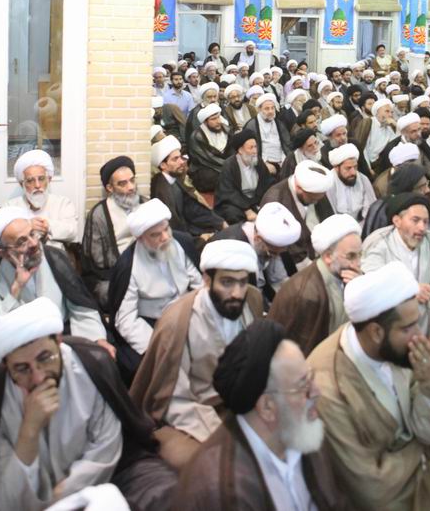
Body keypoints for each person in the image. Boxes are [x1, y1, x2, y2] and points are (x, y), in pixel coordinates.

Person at [309, 263, 430, 511]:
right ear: (375, 332)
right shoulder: (327, 386)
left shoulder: (395, 349)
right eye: (407, 328)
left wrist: (428, 383)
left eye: (417, 323)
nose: (418, 336)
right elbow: (370, 488)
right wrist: (419, 448)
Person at [0, 298, 176, 511]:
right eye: (22, 369)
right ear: (7, 367)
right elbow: (6, 499)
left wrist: (62, 493)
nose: (39, 378)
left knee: (164, 490)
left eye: (45, 358)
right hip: (31, 501)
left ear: (59, 341)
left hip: (107, 474)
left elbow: (106, 449)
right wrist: (29, 431)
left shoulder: (90, 364)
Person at [178, 319, 345, 510]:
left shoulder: (304, 432)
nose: (316, 392)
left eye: (310, 377)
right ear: (267, 407)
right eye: (303, 385)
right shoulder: (221, 491)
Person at [129, 240, 263, 471]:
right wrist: (224, 432)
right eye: (227, 282)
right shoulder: (178, 322)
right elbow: (172, 398)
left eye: (242, 282)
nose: (237, 293)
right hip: (194, 412)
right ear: (207, 280)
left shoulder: (252, 299)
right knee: (219, 463)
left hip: (243, 403)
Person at [0, 206, 113, 362]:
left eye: (32, 234)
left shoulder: (54, 258)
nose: (33, 243)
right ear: (3, 252)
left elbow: (80, 307)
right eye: (22, 241)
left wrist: (97, 339)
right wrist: (16, 288)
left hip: (63, 338)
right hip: (18, 349)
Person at [108, 199, 202, 378]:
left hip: (187, 315)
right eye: (155, 235)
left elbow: (199, 286)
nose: (165, 237)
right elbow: (126, 319)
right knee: (148, 368)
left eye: (166, 229)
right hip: (152, 324)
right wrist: (157, 343)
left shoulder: (181, 243)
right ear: (140, 238)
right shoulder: (128, 265)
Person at [268, 215, 362, 356]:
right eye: (351, 256)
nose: (358, 263)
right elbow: (306, 351)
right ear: (328, 256)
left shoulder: (347, 275)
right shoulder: (307, 294)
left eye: (360, 254)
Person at [361, 193, 430, 348]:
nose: (422, 227)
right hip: (389, 326)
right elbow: (371, 282)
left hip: (422, 321)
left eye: (426, 222)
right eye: (415, 220)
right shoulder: (378, 243)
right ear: (397, 221)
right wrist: (410, 290)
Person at [209, 202, 300, 306]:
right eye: (273, 253)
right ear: (258, 238)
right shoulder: (234, 252)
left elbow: (278, 279)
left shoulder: (270, 242)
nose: (275, 257)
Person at [81, 156, 143, 308]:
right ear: (109, 188)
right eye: (123, 183)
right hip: (114, 273)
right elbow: (98, 261)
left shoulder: (145, 204)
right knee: (106, 291)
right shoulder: (99, 214)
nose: (131, 187)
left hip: (146, 265)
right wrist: (127, 267)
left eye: (132, 180)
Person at [150, 135, 225, 243]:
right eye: (175, 159)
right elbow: (173, 227)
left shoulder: (175, 179)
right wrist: (199, 239)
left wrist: (219, 223)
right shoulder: (161, 190)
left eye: (180, 157)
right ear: (163, 165)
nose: (181, 162)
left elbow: (193, 209)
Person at [259, 160, 334, 264]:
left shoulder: (315, 190)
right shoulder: (275, 201)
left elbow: (329, 220)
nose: (316, 202)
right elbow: (286, 247)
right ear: (299, 188)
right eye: (312, 199)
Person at [9, 150, 83, 251]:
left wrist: (47, 226)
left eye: (41, 179)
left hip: (55, 258)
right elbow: (2, 234)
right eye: (30, 180)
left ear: (49, 179)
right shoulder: (11, 206)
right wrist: (27, 226)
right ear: (22, 184)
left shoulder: (63, 203)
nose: (37, 185)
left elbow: (72, 231)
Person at [214, 130, 274, 224]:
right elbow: (229, 192)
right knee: (232, 214)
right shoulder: (229, 165)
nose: (255, 151)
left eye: (255, 147)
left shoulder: (258, 161)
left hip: (255, 200)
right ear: (240, 150)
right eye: (250, 148)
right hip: (236, 202)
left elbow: (267, 182)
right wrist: (247, 210)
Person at [325, 143, 376, 223]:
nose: (353, 172)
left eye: (355, 167)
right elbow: (331, 214)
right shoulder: (329, 184)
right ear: (336, 168)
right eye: (348, 168)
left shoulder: (362, 179)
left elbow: (371, 207)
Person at [244, 94, 290, 178]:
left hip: (282, 162)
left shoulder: (279, 124)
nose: (271, 111)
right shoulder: (252, 125)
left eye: (272, 108)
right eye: (267, 108)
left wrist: (285, 161)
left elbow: (287, 144)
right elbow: (248, 151)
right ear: (259, 109)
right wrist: (263, 164)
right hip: (262, 165)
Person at [188, 102, 231, 193]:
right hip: (206, 165)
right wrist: (228, 166)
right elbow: (207, 158)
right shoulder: (197, 136)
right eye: (213, 119)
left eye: (218, 117)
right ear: (205, 121)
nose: (218, 121)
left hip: (225, 164)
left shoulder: (226, 130)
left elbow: (232, 149)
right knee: (210, 177)